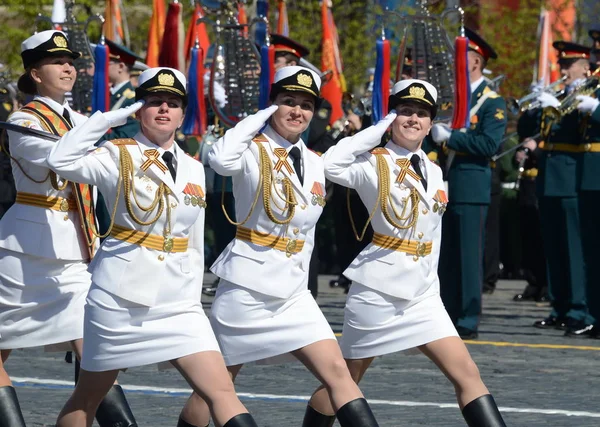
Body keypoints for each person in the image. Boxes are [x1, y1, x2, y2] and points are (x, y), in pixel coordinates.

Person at [45, 66, 259, 427]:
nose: (164, 109)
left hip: (178, 303)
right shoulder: (116, 154)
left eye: (173, 103)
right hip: (119, 299)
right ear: (139, 110)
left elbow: (193, 245)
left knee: (221, 391)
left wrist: (193, 300)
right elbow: (58, 160)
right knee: (88, 398)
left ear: (182, 113)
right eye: (154, 101)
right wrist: (107, 119)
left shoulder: (193, 168)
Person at [177, 66, 380, 427]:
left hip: (293, 292)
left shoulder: (316, 164)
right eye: (287, 102)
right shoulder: (250, 150)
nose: (297, 112)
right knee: (216, 386)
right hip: (246, 288)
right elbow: (219, 160)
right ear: (272, 105)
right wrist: (258, 118)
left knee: (338, 373)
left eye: (305, 104)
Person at [302, 79, 506, 427]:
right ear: (392, 117)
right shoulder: (372, 162)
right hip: (378, 290)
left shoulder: (435, 171)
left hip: (422, 294)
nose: (413, 119)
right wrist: (376, 128)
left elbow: (434, 237)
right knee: (344, 381)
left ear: (431, 124)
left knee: (467, 373)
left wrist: (432, 287)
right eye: (405, 111)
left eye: (422, 114)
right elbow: (330, 165)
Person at [0, 30, 136, 426]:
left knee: (96, 347)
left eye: (70, 62)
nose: (67, 68)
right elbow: (59, 158)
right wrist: (98, 126)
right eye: (56, 62)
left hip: (76, 250)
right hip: (24, 251)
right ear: (35, 74)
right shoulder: (23, 119)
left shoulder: (80, 120)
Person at [431, 27, 507, 339]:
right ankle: (445, 312)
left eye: (459, 58)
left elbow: (490, 144)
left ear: (475, 62)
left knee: (468, 256)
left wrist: (453, 137)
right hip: (443, 185)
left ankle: (467, 317)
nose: (452, 64)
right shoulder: (452, 99)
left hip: (471, 186)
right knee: (445, 254)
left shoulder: (491, 101)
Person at [518, 41, 595, 336]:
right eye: (561, 65)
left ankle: (578, 308)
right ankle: (559, 306)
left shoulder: (587, 94)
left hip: (572, 176)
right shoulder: (560, 94)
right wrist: (536, 107)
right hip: (549, 178)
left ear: (585, 67)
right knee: (554, 248)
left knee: (574, 249)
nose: (562, 70)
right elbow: (529, 131)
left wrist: (561, 107)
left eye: (568, 65)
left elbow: (578, 132)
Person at [104, 39, 142, 139]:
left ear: (120, 67)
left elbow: (125, 136)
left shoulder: (132, 99)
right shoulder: (110, 93)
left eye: (107, 63)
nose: (103, 66)